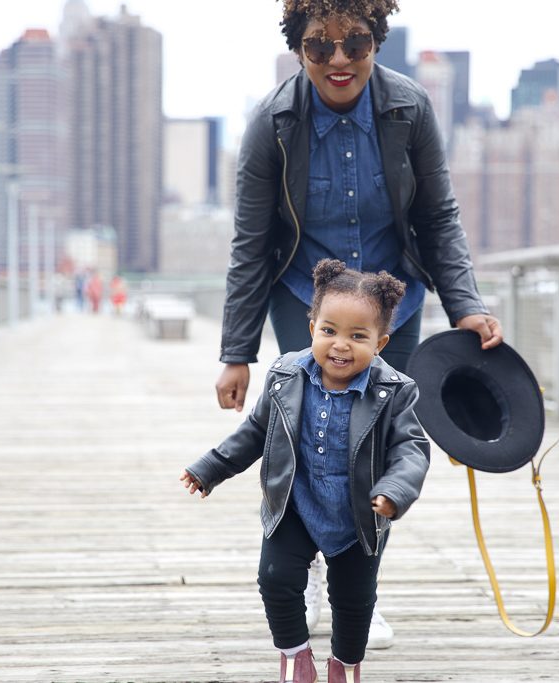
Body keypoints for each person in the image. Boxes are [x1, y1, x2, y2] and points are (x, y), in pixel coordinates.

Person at [214, 0, 504, 651]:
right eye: (320, 47)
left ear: (377, 40)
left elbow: (440, 217)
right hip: (304, 306)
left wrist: (467, 305)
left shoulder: (408, 109)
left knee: (371, 449)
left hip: (390, 308)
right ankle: (312, 570)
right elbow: (251, 243)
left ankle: (356, 591)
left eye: (356, 43)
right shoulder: (273, 123)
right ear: (298, 48)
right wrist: (237, 352)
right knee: (311, 443)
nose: (339, 60)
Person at [183, 260, 430, 683]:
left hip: (357, 515)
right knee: (275, 578)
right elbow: (256, 431)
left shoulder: (394, 391)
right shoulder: (285, 376)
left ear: (382, 342)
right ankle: (295, 655)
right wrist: (212, 467)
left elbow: (412, 448)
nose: (340, 345)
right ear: (312, 325)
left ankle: (345, 664)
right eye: (329, 330)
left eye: (358, 336)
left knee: (354, 600)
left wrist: (394, 491)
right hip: (295, 504)